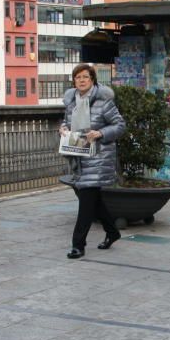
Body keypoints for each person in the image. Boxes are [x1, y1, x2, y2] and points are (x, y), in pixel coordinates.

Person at [61, 64, 126, 258]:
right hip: (79, 156)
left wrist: (99, 133)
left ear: (92, 80)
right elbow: (66, 122)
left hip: (98, 158)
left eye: (85, 77)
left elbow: (120, 126)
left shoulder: (103, 102)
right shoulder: (72, 102)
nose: (81, 80)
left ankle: (78, 245)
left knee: (86, 202)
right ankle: (113, 232)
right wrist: (63, 129)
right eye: (78, 77)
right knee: (93, 201)